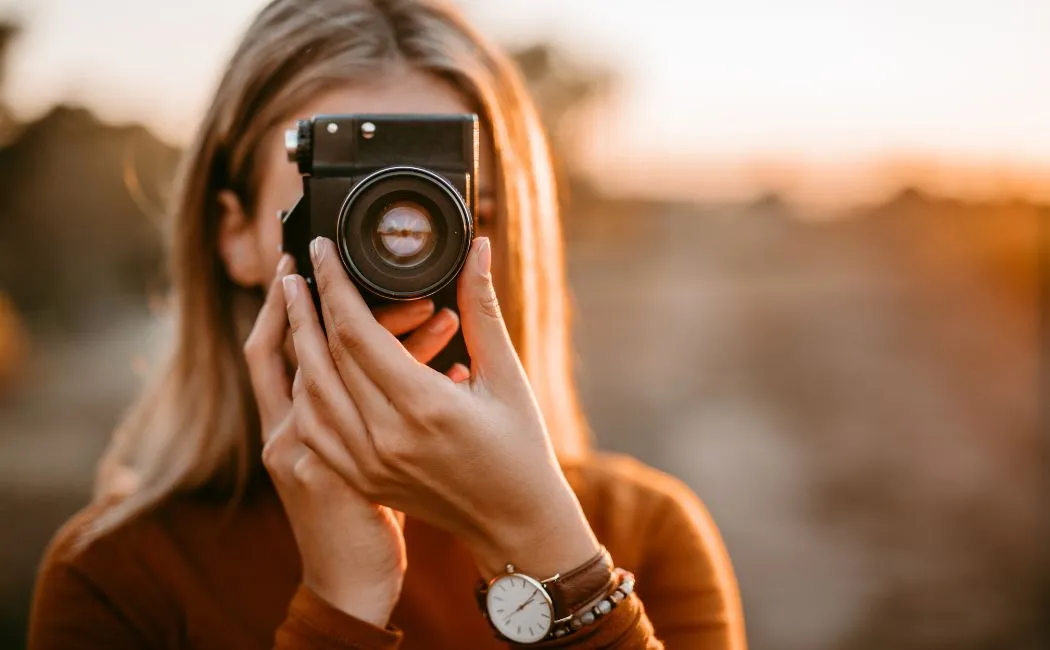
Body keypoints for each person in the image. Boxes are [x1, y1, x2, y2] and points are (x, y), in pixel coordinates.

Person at [28, 0, 746, 647]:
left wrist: (545, 546)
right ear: (237, 234)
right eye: (348, 218)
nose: (403, 265)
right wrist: (340, 602)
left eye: (458, 218)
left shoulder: (642, 535)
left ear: (510, 233)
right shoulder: (118, 575)